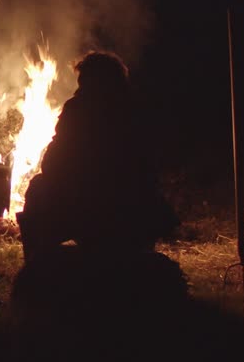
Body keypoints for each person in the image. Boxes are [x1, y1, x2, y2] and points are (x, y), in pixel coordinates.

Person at [16, 51, 178, 263]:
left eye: (83, 81)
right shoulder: (138, 110)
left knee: (38, 186)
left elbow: (53, 164)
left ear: (92, 81)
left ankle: (36, 268)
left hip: (86, 210)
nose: (79, 87)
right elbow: (151, 168)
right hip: (133, 212)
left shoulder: (78, 109)